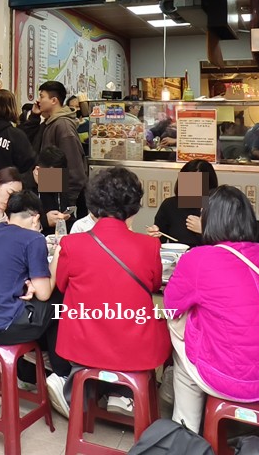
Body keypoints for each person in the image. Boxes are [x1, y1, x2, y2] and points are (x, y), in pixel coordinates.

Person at [163, 186, 259, 432]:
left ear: (209, 221)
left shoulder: (199, 258)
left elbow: (171, 307)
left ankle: (185, 432)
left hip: (228, 380)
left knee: (178, 328)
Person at [48, 166, 170, 418]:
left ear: (93, 203)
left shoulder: (72, 244)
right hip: (133, 345)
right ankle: (120, 393)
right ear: (133, 205)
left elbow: (60, 285)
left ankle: (77, 388)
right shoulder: (149, 246)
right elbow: (154, 284)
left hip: (83, 344)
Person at [0, 191, 70, 383]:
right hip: (0, 327)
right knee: (60, 299)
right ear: (35, 219)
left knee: (35, 302)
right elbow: (44, 294)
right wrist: (59, 252)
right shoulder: (33, 239)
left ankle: (33, 367)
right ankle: (61, 374)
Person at [21, 81, 88, 218]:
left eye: (41, 96)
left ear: (53, 100)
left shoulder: (62, 126)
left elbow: (75, 173)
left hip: (58, 204)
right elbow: (25, 140)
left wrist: (67, 203)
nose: (38, 101)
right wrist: (34, 116)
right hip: (47, 197)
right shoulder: (48, 123)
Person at [146, 160, 219, 248]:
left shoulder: (217, 207)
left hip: (208, 259)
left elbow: (228, 247)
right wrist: (154, 237)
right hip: (177, 258)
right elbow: (159, 243)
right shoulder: (169, 205)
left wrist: (204, 231)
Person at [32, 146, 72, 236]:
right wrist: (44, 221)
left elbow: (66, 208)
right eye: (52, 177)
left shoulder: (60, 183)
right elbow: (18, 224)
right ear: (38, 170)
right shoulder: (23, 188)